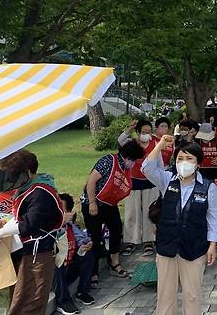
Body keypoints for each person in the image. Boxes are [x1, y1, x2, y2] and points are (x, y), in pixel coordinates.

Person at [142, 135, 217, 314]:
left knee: (192, 295)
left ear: (198, 163)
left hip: (195, 247)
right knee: (165, 294)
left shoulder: (209, 187)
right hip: (167, 245)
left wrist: (212, 245)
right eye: (180, 158)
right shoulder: (167, 180)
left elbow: (214, 217)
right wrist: (159, 146)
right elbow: (147, 168)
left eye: (189, 158)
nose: (184, 162)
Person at [0, 149, 64, 315]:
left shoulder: (42, 192)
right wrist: (5, 225)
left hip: (38, 256)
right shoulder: (29, 189)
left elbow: (29, 224)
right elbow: (21, 217)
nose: (10, 180)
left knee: (30, 303)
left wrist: (0, 233)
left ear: (27, 172)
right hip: (26, 253)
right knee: (20, 300)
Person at [81, 140, 144, 282]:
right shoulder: (108, 161)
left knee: (116, 229)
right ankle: (93, 271)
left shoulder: (125, 168)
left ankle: (115, 263)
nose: (133, 164)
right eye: (134, 161)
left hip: (109, 204)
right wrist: (92, 203)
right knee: (95, 236)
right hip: (93, 202)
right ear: (128, 157)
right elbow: (91, 182)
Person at [118, 119, 158, 257]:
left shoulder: (155, 144)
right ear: (138, 132)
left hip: (150, 183)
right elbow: (120, 140)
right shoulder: (132, 143)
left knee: (150, 212)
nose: (146, 134)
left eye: (148, 132)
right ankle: (130, 241)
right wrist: (129, 128)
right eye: (143, 132)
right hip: (132, 182)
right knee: (132, 212)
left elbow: (160, 164)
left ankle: (148, 241)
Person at [54, 193, 95, 315]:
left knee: (88, 254)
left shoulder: (71, 227)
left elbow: (82, 239)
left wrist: (86, 245)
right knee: (58, 260)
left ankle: (82, 292)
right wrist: (60, 224)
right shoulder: (50, 227)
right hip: (55, 273)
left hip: (70, 267)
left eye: (63, 210)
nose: (60, 213)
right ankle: (63, 302)